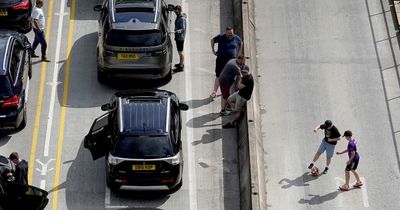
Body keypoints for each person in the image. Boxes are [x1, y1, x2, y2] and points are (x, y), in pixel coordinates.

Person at [210, 27, 243, 98]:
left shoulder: (236, 38)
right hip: (220, 60)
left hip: (231, 62)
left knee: (230, 77)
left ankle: (227, 93)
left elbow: (241, 43)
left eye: (231, 33)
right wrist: (213, 50)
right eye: (228, 33)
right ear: (226, 33)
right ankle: (214, 92)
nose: (230, 35)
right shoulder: (221, 37)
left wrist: (239, 53)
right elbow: (212, 40)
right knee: (218, 76)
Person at [173, 5, 186, 72]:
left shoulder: (182, 19)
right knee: (179, 52)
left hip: (180, 38)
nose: (175, 13)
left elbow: (183, 29)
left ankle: (181, 66)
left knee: (180, 52)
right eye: (175, 12)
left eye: (177, 11)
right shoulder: (178, 16)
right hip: (178, 37)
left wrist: (176, 31)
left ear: (179, 10)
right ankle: (180, 63)